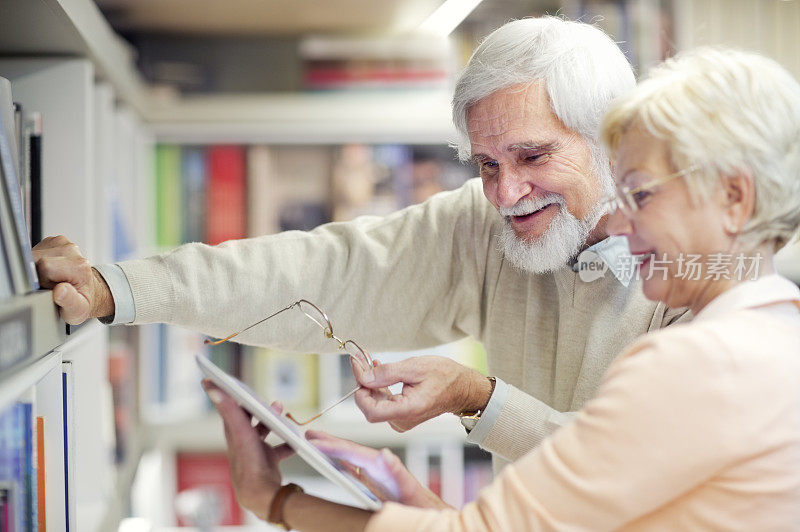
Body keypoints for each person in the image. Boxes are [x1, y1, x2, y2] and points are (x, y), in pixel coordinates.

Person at [33, 17, 687, 466]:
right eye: (486, 164)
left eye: (532, 155)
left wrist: (475, 398)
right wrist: (115, 287)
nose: (505, 193)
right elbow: (324, 273)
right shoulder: (488, 229)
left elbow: (632, 469)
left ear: (613, 137)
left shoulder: (703, 271)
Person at [205, 46, 800, 531]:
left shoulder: (703, 362)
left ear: (734, 198)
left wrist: (273, 500)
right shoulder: (774, 339)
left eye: (640, 195)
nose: (616, 223)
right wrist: (406, 496)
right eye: (487, 165)